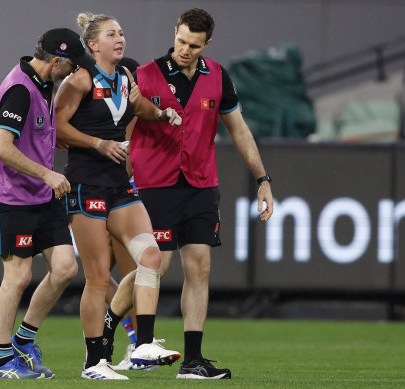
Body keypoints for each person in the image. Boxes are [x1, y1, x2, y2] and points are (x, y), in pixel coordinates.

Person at [106, 8, 274, 380]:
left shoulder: (217, 76)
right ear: (175, 33)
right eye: (181, 41)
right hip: (155, 185)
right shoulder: (145, 76)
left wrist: (263, 179)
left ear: (206, 44)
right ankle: (106, 334)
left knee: (200, 268)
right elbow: (127, 136)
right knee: (157, 266)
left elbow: (240, 130)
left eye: (193, 45)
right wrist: (117, 187)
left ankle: (193, 361)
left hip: (201, 185)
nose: (185, 49)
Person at [55, 12, 182, 380]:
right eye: (112, 34)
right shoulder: (78, 79)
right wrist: (98, 143)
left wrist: (160, 114)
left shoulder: (125, 77)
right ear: (93, 44)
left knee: (151, 255)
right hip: (86, 185)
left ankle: (143, 344)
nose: (120, 39)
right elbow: (58, 126)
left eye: (122, 33)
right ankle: (94, 363)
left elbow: (136, 104)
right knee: (97, 278)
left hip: (118, 184)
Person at [0, 27, 95, 379]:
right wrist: (46, 174)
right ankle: (2, 362)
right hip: (12, 196)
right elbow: (1, 146)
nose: (76, 71)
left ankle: (24, 340)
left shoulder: (45, 83)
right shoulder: (19, 88)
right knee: (17, 278)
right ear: (56, 61)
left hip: (41, 194)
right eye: (73, 66)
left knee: (64, 268)